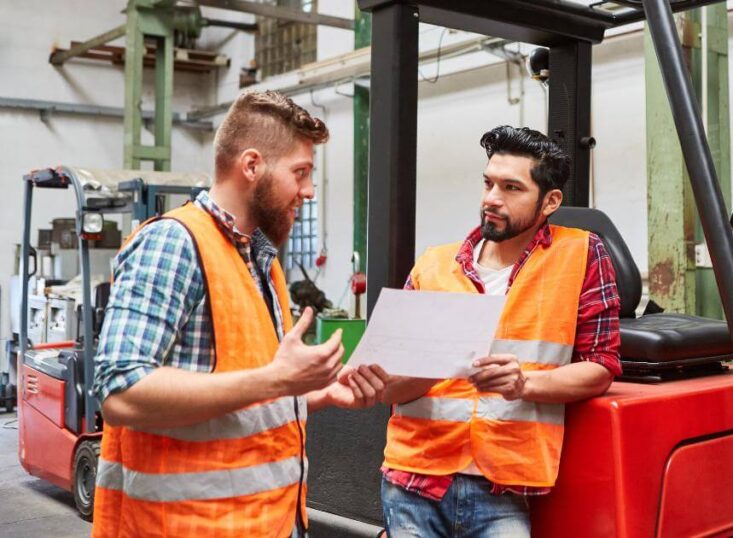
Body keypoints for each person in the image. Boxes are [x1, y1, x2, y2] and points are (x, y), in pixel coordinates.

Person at [91, 90, 387, 537]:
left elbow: (237, 397)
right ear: (251, 166)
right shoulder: (174, 243)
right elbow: (120, 394)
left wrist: (312, 393)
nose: (308, 190)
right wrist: (278, 380)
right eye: (300, 173)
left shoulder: (261, 261)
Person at [378, 125, 622, 537]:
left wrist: (523, 383)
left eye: (511, 188)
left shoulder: (581, 254)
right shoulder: (433, 265)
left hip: (504, 486)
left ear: (550, 201)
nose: (492, 198)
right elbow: (388, 390)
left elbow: (600, 367)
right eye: (488, 183)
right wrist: (432, 367)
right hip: (414, 479)